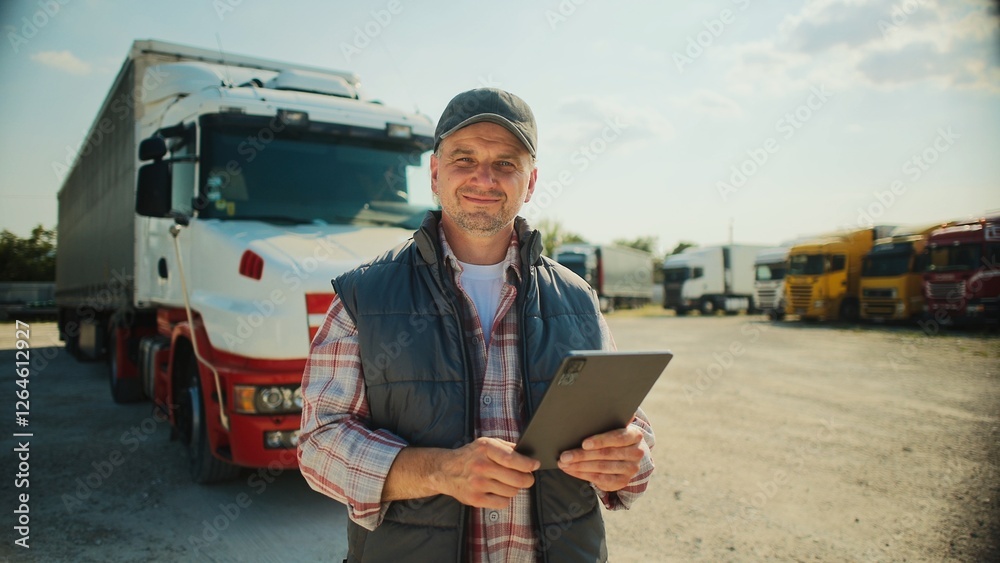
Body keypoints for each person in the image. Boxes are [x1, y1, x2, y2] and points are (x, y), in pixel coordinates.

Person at [298, 88, 655, 563]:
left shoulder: (579, 299)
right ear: (434, 172)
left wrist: (628, 459)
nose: (484, 177)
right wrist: (440, 471)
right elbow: (319, 443)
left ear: (530, 183)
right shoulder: (364, 297)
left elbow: (631, 429)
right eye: (464, 158)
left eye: (506, 163)